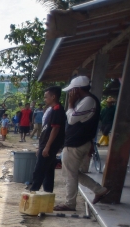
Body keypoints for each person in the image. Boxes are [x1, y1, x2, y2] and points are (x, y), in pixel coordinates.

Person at [54, 75, 108, 211]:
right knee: (72, 173)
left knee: (70, 175)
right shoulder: (87, 100)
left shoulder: (88, 100)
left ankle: (70, 203)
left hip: (76, 143)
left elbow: (72, 119)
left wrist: (71, 105)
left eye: (72, 91)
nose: (70, 94)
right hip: (79, 142)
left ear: (77, 89)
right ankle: (99, 190)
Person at [28, 86, 66, 193]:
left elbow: (55, 129)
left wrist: (47, 147)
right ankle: (47, 193)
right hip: (45, 144)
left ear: (53, 97)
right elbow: (46, 130)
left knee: (39, 170)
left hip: (49, 146)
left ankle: (33, 191)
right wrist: (41, 146)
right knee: (48, 171)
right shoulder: (52, 110)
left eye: (46, 97)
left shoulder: (58, 110)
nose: (45, 99)